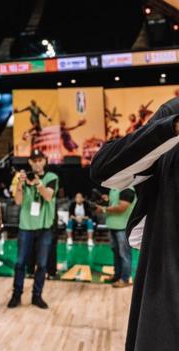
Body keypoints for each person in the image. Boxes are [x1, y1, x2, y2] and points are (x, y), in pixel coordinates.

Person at [90, 96, 179, 350]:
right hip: (167, 296)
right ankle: (121, 276)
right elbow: (102, 168)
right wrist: (171, 128)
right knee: (119, 254)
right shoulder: (172, 115)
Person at [8, 148, 58, 309]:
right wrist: (21, 184)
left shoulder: (51, 177)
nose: (37, 163)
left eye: (40, 160)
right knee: (20, 263)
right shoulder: (21, 177)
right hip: (26, 226)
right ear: (30, 162)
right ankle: (16, 295)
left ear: (45, 161)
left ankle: (37, 296)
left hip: (44, 227)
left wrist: (38, 183)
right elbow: (17, 201)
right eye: (34, 160)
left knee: (42, 264)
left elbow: (48, 196)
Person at [96, 188, 136, 288]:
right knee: (116, 253)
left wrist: (103, 209)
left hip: (123, 227)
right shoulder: (114, 188)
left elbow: (122, 207)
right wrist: (108, 199)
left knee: (124, 254)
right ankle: (117, 275)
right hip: (113, 225)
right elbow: (115, 202)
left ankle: (125, 279)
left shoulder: (127, 188)